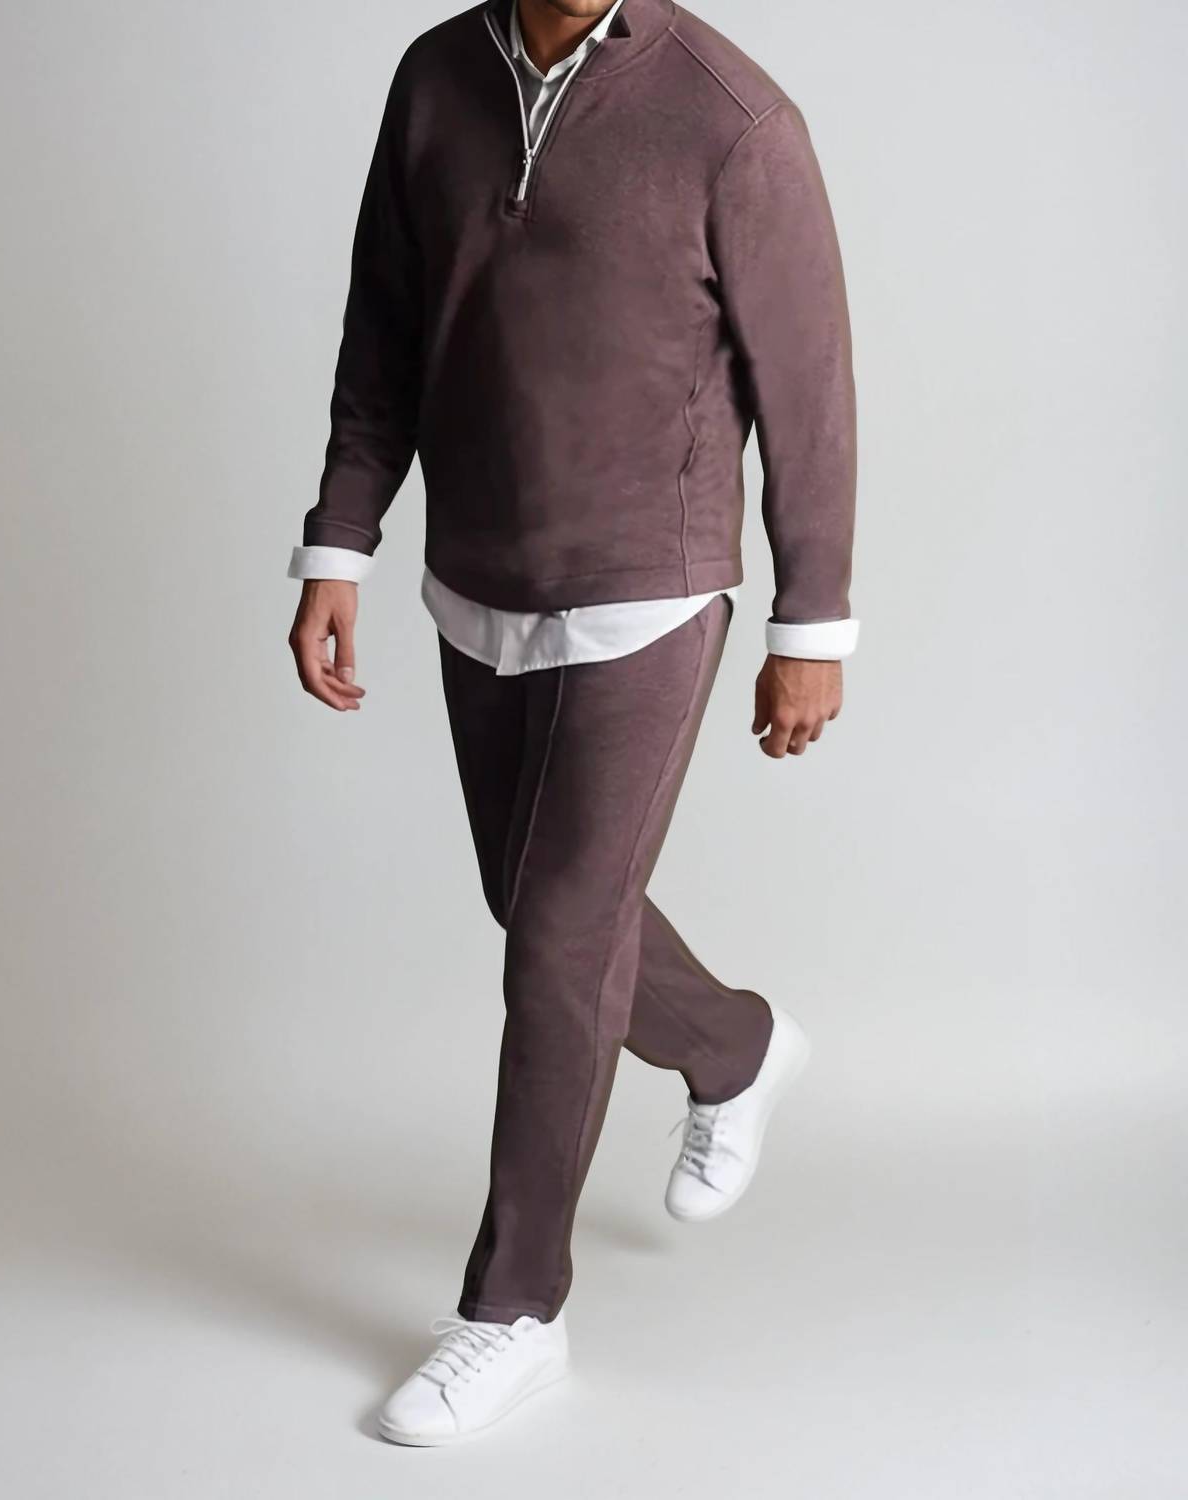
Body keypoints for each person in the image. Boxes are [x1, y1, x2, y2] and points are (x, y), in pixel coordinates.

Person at [287, 0, 858, 1447]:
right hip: (475, 572)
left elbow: (808, 393)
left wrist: (810, 625)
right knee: (534, 903)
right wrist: (339, 542)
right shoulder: (436, 76)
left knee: (556, 936)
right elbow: (384, 326)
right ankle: (735, 1048)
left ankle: (514, 1309)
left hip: (649, 590)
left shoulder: (734, 118)